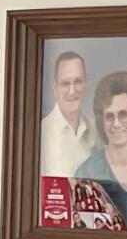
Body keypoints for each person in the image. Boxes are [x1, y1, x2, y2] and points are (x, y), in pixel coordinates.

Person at [75, 70, 127, 231]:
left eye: (123, 114)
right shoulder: (86, 173)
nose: (116, 124)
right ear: (102, 122)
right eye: (109, 116)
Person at [38, 49, 93, 186]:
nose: (72, 91)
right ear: (55, 88)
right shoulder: (41, 133)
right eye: (65, 83)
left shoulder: (95, 131)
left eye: (78, 81)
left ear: (86, 83)